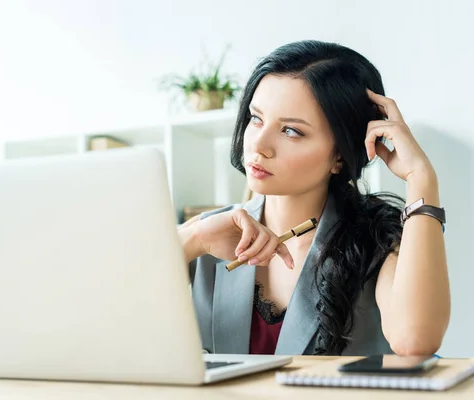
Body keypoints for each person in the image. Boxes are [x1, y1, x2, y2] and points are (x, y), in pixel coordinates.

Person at [177, 40, 450, 356]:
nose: (259, 145)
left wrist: (421, 180)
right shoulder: (208, 234)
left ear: (339, 155)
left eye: (291, 131)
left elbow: (415, 340)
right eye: (256, 118)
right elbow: (111, 318)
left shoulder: (378, 238)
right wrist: (192, 239)